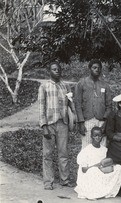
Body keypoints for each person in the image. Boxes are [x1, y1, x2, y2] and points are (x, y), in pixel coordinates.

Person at [38, 61, 75, 190]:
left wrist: (73, 119)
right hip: (49, 124)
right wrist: (44, 126)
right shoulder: (44, 86)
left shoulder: (66, 86)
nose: (57, 71)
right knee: (47, 154)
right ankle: (48, 182)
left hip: (63, 124)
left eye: (58, 69)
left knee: (63, 153)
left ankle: (64, 180)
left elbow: (71, 104)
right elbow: (41, 107)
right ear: (50, 71)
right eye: (54, 69)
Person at [75, 126, 121, 200]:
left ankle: (108, 191)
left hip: (102, 171)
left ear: (102, 137)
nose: (97, 138)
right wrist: (98, 165)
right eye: (95, 136)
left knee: (119, 168)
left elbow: (108, 163)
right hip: (90, 174)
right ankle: (93, 193)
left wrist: (109, 165)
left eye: (99, 136)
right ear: (91, 137)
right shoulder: (86, 150)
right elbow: (84, 170)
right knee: (94, 171)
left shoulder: (105, 150)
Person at [75, 59, 112, 149]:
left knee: (102, 148)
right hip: (87, 120)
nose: (97, 70)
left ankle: (100, 163)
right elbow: (78, 104)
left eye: (99, 68)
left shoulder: (105, 85)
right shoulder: (82, 83)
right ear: (89, 69)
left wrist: (105, 122)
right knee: (86, 148)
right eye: (94, 67)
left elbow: (109, 105)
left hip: (101, 121)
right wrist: (81, 123)